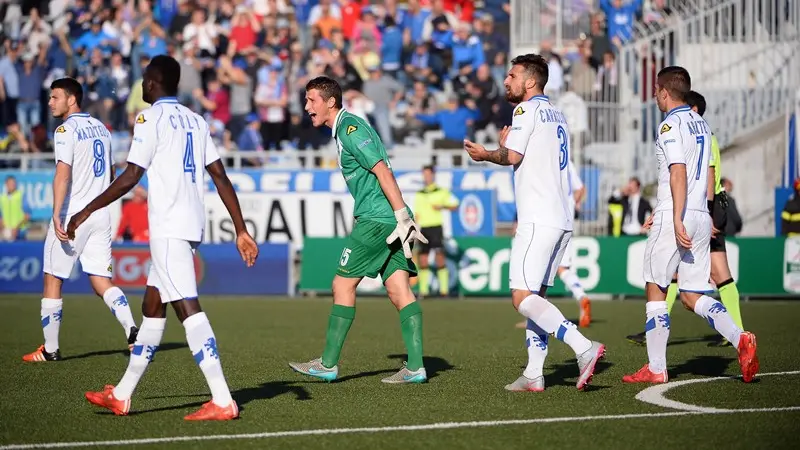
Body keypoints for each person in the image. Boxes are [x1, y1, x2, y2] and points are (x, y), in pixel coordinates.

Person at [71, 55, 259, 420]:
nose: (141, 85)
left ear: (154, 83)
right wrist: (240, 229)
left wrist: (86, 209)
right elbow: (220, 176)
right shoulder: (196, 120)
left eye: (144, 79)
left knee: (188, 308)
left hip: (169, 228)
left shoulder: (149, 118)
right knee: (153, 308)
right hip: (189, 226)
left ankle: (223, 399)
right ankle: (123, 394)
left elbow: (129, 176)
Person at [464, 54, 605, 392]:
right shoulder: (557, 114)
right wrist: (503, 148)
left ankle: (583, 347)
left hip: (538, 218)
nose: (506, 81)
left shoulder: (524, 110)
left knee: (521, 297)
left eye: (512, 75)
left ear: (530, 81)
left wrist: (487, 154)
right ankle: (534, 374)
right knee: (537, 298)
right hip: (560, 218)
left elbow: (512, 157)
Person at [622, 67, 758, 384]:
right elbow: (707, 173)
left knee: (655, 287)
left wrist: (674, 215)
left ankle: (656, 367)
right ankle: (740, 338)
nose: (655, 95)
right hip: (700, 215)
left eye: (656, 90)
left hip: (679, 214)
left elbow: (678, 172)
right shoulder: (701, 124)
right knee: (692, 294)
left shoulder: (670, 124)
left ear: (665, 92)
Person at [289, 76, 429, 384]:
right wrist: (400, 216)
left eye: (312, 100)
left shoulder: (351, 129)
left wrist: (402, 214)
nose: (307, 106)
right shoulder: (342, 131)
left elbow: (382, 169)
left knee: (342, 285)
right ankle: (416, 367)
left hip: (377, 220)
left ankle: (327, 364)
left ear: (330, 102)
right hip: (387, 219)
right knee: (398, 290)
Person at [21, 77, 139, 363]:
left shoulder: (64, 129)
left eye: (55, 97)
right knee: (101, 279)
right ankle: (133, 331)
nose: (50, 102)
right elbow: (111, 175)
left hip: (73, 216)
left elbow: (63, 173)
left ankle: (50, 349)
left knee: (53, 278)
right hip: (101, 214)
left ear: (71, 99)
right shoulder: (102, 128)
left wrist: (56, 214)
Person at [514, 159, 591, 329]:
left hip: (547, 217)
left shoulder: (544, 156)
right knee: (560, 267)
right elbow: (581, 189)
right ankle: (580, 295)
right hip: (565, 218)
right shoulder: (567, 160)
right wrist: (572, 204)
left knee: (537, 269)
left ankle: (536, 320)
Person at [413, 164, 459, 297]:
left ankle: (444, 291)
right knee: (423, 259)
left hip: (436, 228)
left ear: (433, 175)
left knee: (439, 258)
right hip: (424, 229)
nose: (426, 177)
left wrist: (442, 206)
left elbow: (455, 205)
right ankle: (423, 291)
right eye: (424, 174)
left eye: (428, 174)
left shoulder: (441, 191)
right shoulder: (419, 193)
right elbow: (417, 214)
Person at [0, 175, 32, 241]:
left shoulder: (21, 196)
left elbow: (27, 215)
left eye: (14, 183)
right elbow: (1, 217)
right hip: (7, 232)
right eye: (10, 183)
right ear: (6, 184)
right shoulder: (2, 198)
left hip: (20, 231)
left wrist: (16, 228)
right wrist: (2, 227)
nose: (12, 185)